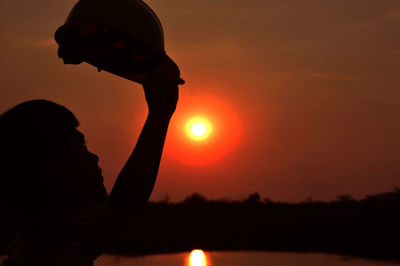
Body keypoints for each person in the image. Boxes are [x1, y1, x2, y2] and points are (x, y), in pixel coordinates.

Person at [0, 55, 183, 266]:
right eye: (80, 147)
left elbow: (126, 202)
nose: (93, 157)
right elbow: (125, 204)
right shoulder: (48, 256)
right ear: (51, 169)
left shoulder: (62, 243)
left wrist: (159, 117)